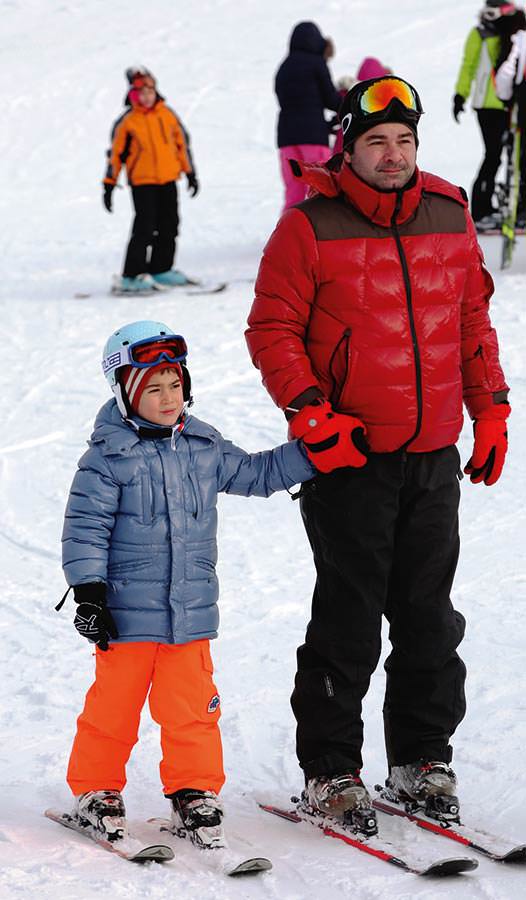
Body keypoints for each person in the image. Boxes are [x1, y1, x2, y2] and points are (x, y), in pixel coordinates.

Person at [245, 75, 510, 833]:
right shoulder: (309, 225)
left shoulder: (450, 211)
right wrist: (309, 413)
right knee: (349, 617)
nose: (391, 155)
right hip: (350, 457)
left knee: (430, 617)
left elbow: (472, 324)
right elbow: (272, 330)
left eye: (403, 141)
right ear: (349, 148)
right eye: (375, 142)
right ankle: (332, 771)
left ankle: (421, 759)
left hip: (432, 454)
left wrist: (489, 410)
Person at [60, 319, 316, 848]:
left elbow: (255, 473)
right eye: (152, 388)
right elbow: (85, 528)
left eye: (175, 385)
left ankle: (194, 791)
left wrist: (313, 453)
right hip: (126, 618)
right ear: (125, 393)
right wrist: (89, 592)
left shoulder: (202, 445)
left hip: (190, 615)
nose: (168, 397)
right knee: (112, 712)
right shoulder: (107, 459)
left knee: (193, 714)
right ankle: (96, 791)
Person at [103, 68, 199, 294]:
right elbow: (115, 156)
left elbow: (182, 146)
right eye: (141, 93)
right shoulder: (127, 122)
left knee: (170, 225)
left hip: (168, 179)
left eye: (150, 91)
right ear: (133, 95)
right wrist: (109, 183)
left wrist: (190, 173)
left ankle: (161, 268)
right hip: (142, 182)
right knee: (144, 228)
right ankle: (131, 276)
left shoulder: (167, 115)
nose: (146, 96)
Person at [452, 1, 526, 231]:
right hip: (488, 105)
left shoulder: (514, 32)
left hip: (511, 106)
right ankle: (482, 208)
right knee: (493, 155)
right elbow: (468, 65)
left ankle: (515, 204)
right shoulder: (480, 34)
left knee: (515, 157)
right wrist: (460, 95)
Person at [275, 22, 341, 209]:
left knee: (294, 190)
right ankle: (322, 235)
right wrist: (347, 105)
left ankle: (288, 234)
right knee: (321, 187)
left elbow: (289, 102)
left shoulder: (284, 67)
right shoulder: (316, 63)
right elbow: (330, 98)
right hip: (313, 137)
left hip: (286, 138)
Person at [495, 27, 526, 226]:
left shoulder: (521, 41)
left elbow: (505, 76)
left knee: (521, 160)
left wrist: (505, 97)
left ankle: (521, 208)